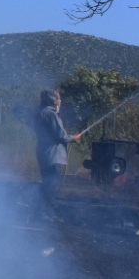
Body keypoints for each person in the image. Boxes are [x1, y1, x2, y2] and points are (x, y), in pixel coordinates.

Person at [33, 89, 80, 218]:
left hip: (43, 152)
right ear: (54, 101)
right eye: (58, 99)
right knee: (51, 184)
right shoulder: (51, 114)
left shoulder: (40, 112)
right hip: (52, 154)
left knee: (47, 182)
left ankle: (42, 211)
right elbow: (61, 135)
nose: (60, 101)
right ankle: (44, 212)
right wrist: (73, 138)